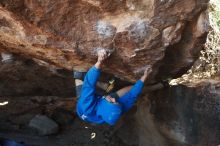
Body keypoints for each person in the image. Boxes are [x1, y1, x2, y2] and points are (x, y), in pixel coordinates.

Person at [75, 49, 152, 125]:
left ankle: (105, 87)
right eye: (116, 102)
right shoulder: (117, 109)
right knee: (132, 87)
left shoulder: (86, 104)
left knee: (78, 75)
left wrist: (99, 62)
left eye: (112, 101)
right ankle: (155, 86)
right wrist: (145, 76)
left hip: (84, 108)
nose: (114, 99)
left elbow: (89, 84)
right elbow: (132, 95)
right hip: (102, 104)